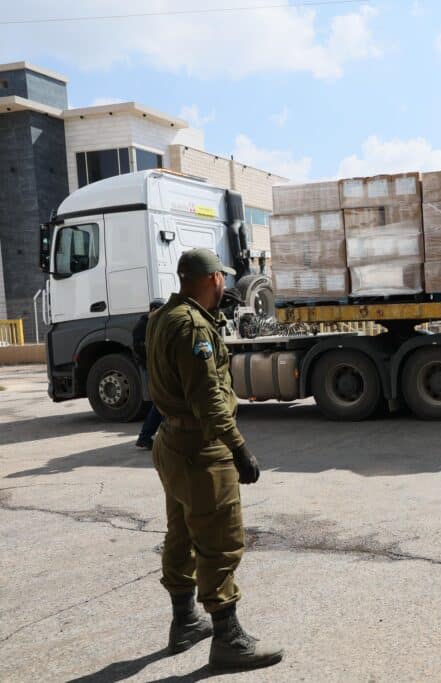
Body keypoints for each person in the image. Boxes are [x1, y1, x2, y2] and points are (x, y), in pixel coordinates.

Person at [147, 248, 283, 671]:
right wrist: (239, 449)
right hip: (200, 449)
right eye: (222, 277)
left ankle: (185, 620)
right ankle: (228, 638)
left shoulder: (162, 317)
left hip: (171, 442)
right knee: (219, 541)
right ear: (213, 279)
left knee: (181, 534)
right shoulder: (193, 328)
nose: (224, 283)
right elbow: (208, 399)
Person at [134, 298, 166, 449]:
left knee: (161, 404)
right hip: (152, 369)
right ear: (152, 310)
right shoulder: (142, 326)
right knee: (162, 403)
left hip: (158, 368)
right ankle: (147, 437)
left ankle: (146, 437)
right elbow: (140, 349)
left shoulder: (156, 324)